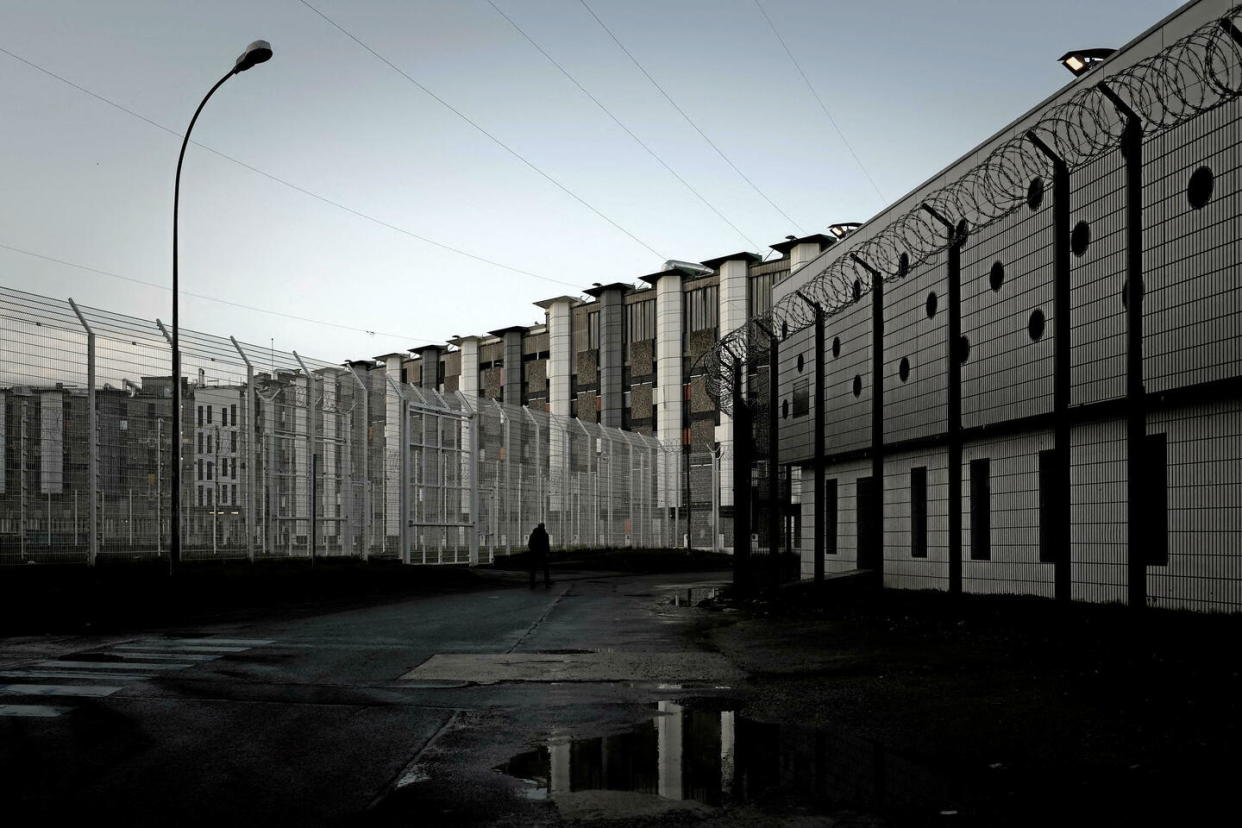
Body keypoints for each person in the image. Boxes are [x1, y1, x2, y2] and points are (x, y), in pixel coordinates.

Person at [527, 522, 551, 588]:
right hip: (543, 554)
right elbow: (547, 545)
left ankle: (532, 584)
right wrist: (547, 553)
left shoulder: (533, 534)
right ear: (543, 527)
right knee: (546, 569)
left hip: (534, 554)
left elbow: (529, 545)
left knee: (533, 570)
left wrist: (533, 550)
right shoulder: (545, 535)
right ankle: (547, 584)